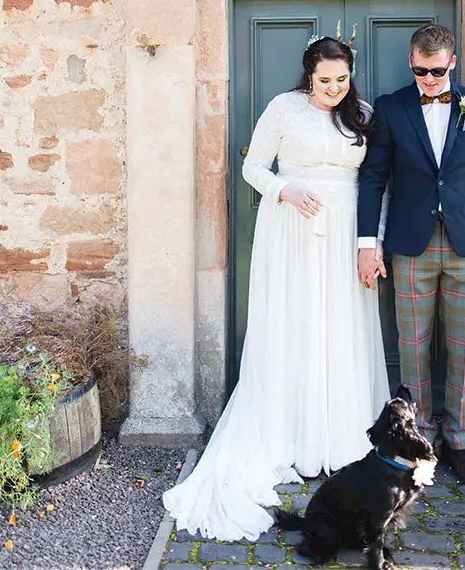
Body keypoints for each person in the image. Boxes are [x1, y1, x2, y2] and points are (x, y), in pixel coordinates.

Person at [162, 36, 389, 542]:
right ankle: (295, 437)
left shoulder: (364, 114)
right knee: (299, 323)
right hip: (292, 230)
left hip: (346, 231)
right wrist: (285, 189)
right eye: (325, 80)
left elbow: (376, 181)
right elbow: (251, 168)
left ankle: (340, 438)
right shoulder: (282, 109)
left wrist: (371, 243)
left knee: (341, 326)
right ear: (309, 74)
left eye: (342, 79)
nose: (334, 89)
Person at [357, 23, 465, 487]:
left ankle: (459, 441)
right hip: (410, 245)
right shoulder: (390, 107)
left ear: (453, 63)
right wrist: (368, 243)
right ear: (410, 62)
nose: (428, 79)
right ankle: (419, 441)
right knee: (412, 349)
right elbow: (374, 178)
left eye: (437, 71)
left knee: (464, 350)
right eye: (421, 71)